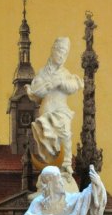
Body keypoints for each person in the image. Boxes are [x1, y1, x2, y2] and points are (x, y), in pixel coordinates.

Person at [27, 37, 84, 175]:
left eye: (65, 53)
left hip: (61, 111)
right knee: (46, 139)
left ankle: (66, 164)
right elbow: (35, 91)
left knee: (65, 133)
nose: (62, 56)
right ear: (53, 50)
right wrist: (45, 86)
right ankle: (50, 167)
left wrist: (60, 82)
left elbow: (74, 86)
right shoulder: (42, 72)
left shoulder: (65, 74)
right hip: (46, 111)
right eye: (60, 51)